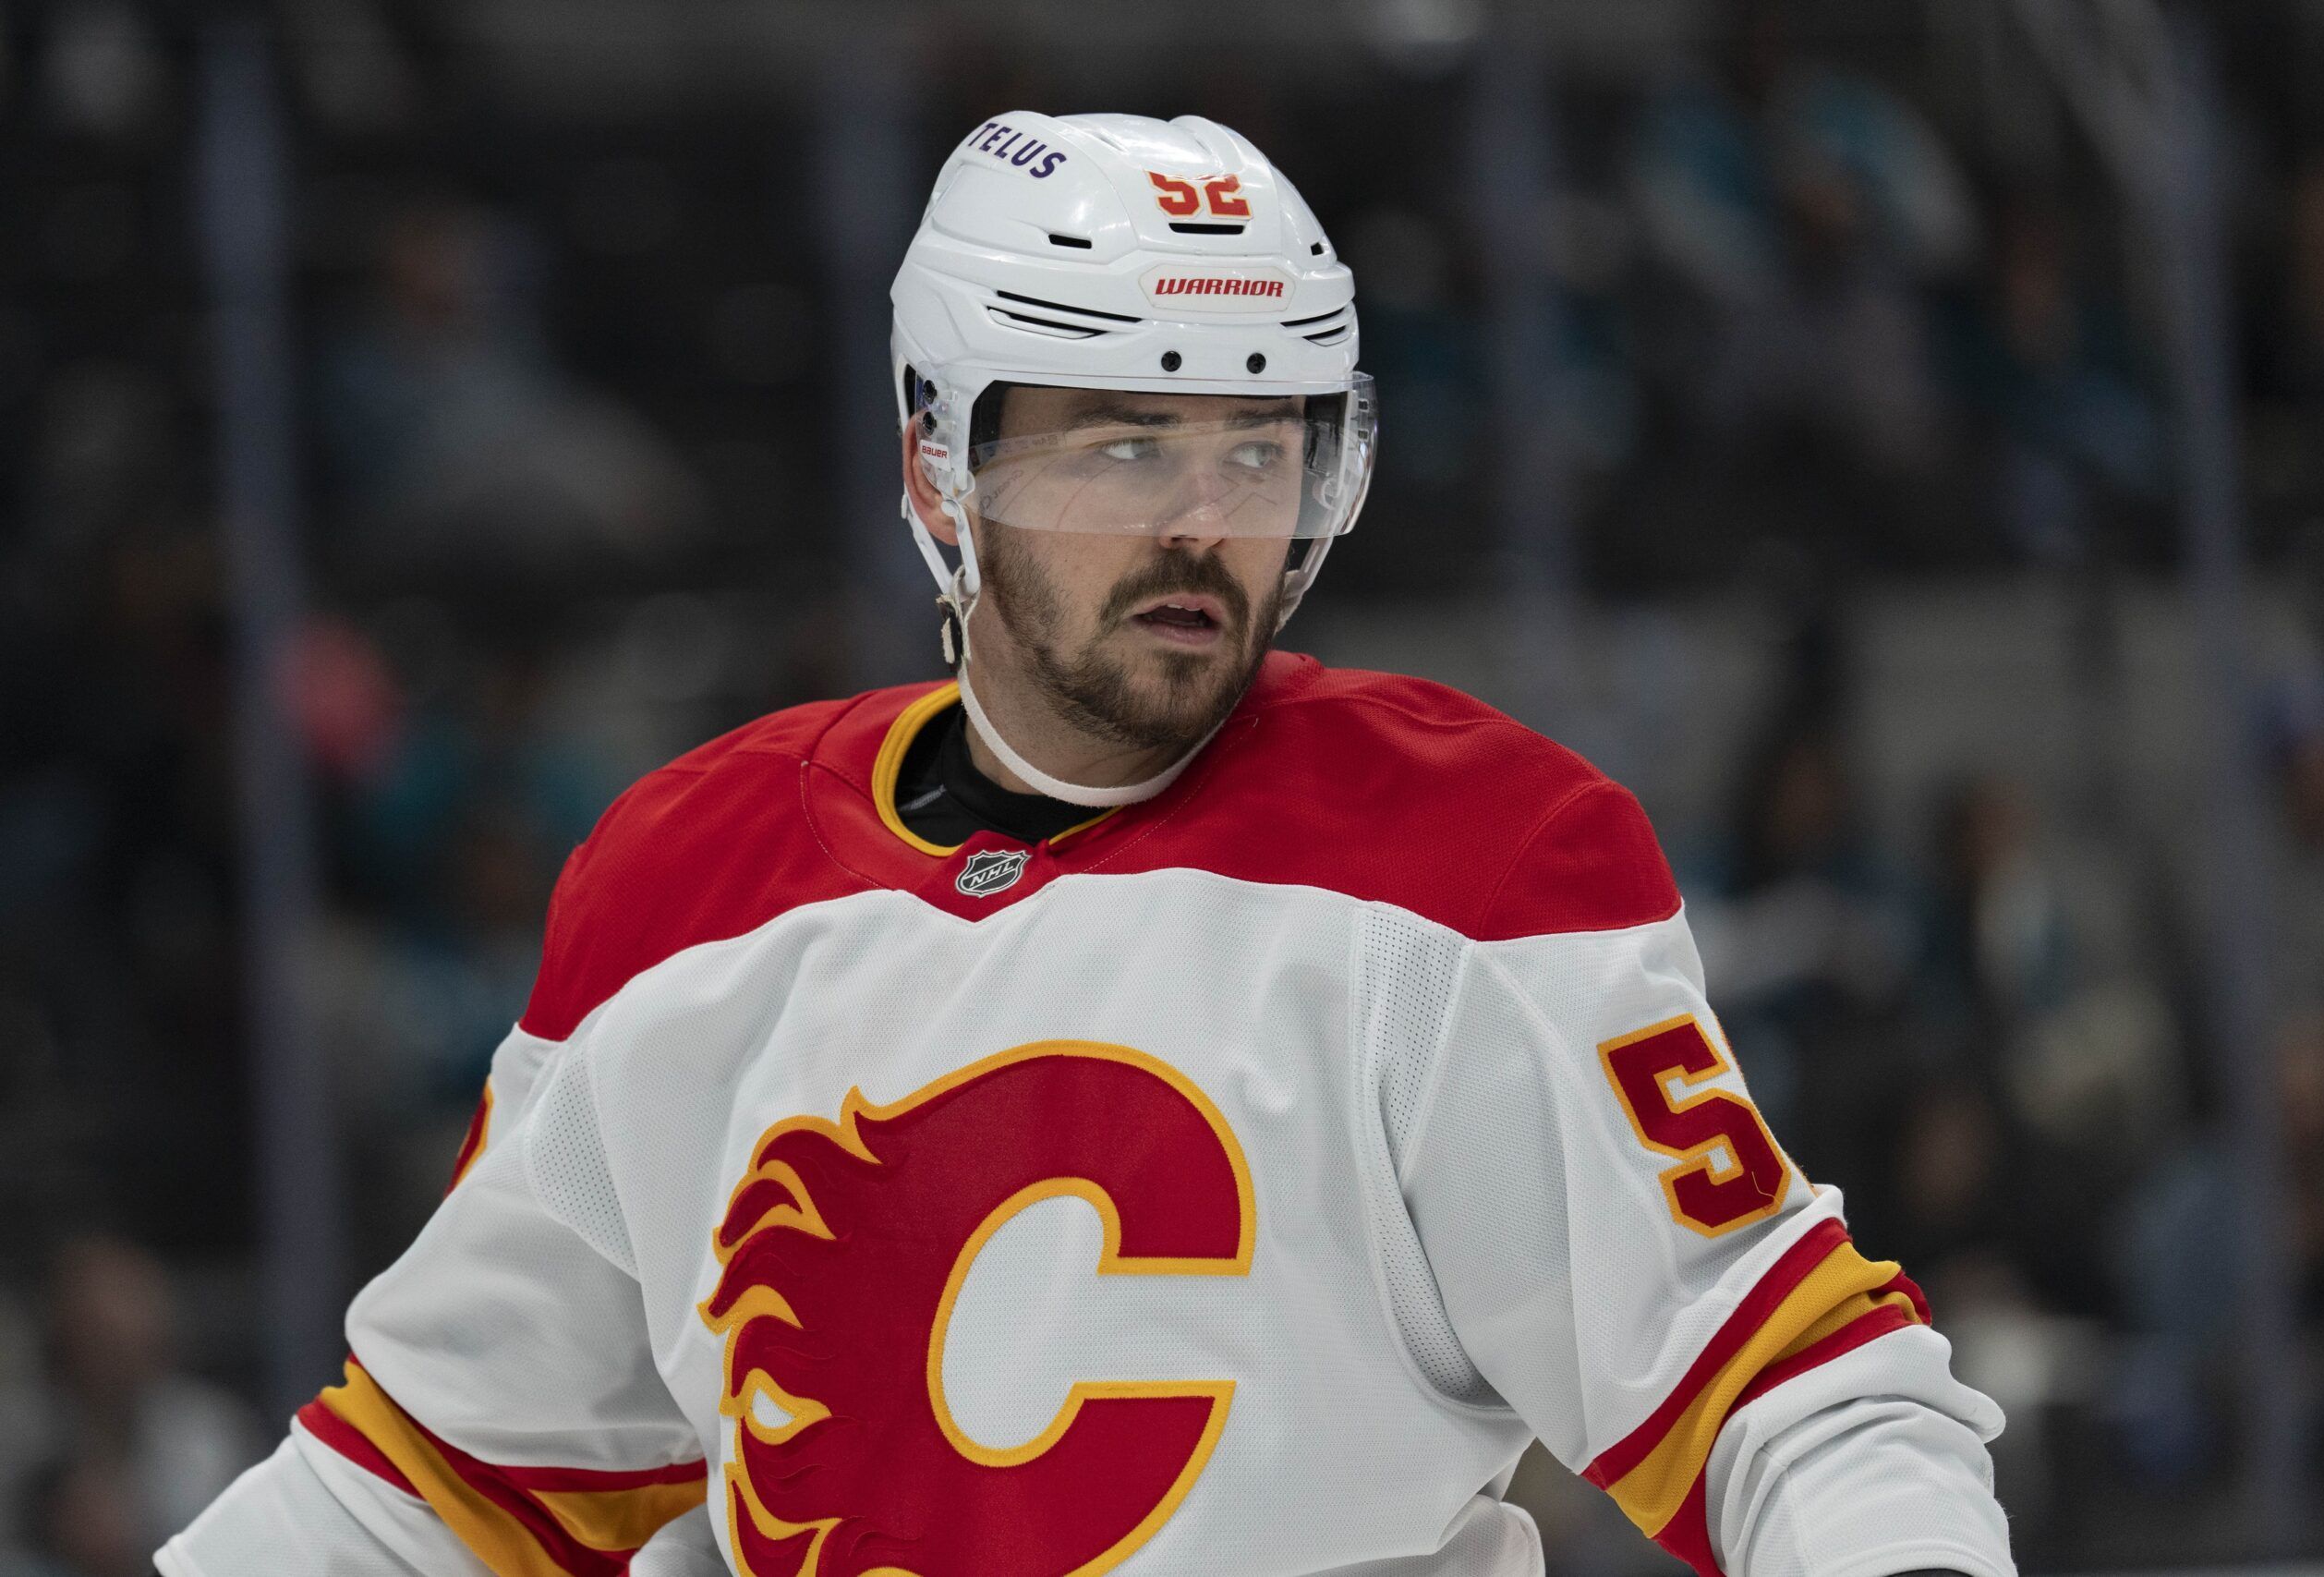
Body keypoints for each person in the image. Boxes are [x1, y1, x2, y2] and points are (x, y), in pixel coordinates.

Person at [157, 112, 2012, 1577]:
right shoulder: (683, 883)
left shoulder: (1470, 862)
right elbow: (433, 1491)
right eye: (1124, 448)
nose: (1201, 523)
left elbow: (1792, 1387)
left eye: (1254, 450)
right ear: (935, 466)